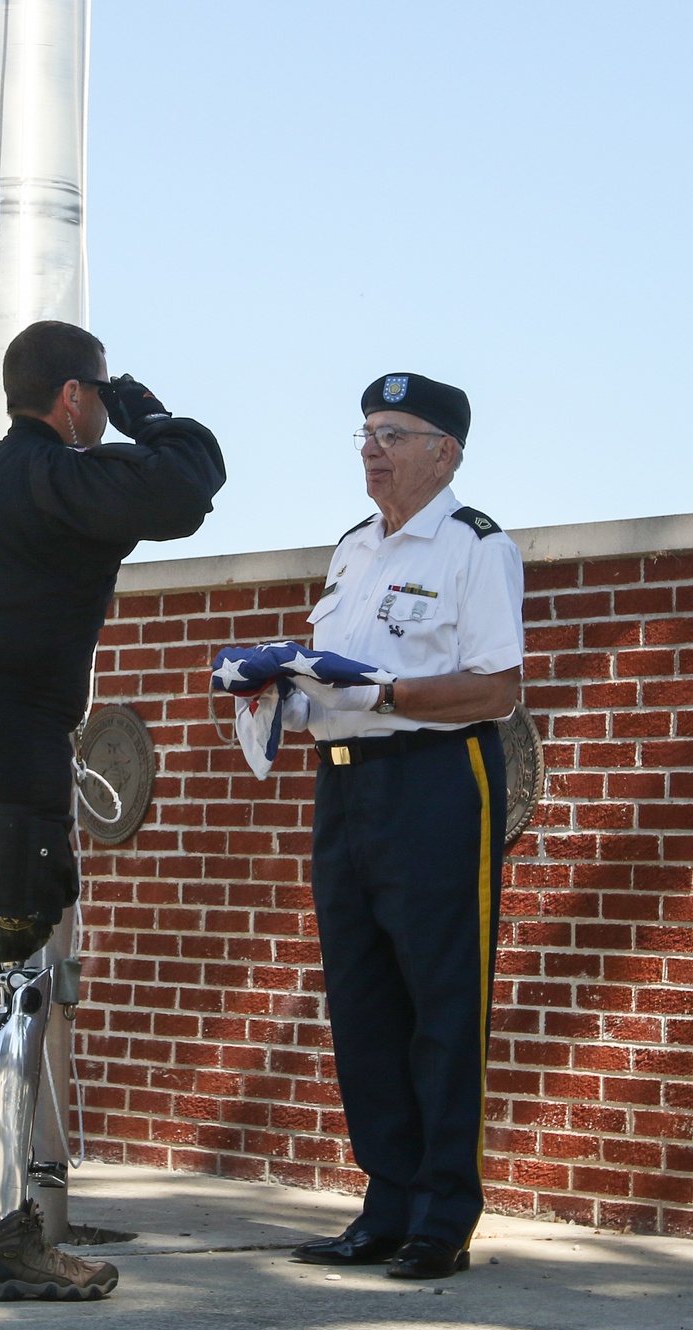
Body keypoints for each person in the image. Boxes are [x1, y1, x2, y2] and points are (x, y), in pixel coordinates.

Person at [0, 320, 225, 1301]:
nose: (102, 415)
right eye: (96, 397)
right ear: (73, 399)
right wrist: (142, 403)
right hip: (0, 733)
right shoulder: (63, 476)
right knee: (23, 975)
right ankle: (11, 1237)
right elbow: (190, 483)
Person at [291, 372, 523, 1279]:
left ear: (445, 451)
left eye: (392, 432)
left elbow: (498, 688)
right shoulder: (354, 548)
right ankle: (385, 1204)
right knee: (361, 1000)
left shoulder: (475, 548)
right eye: (364, 433)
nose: (372, 449)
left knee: (440, 1000)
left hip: (436, 779)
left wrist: (382, 692)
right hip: (343, 784)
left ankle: (442, 1216)